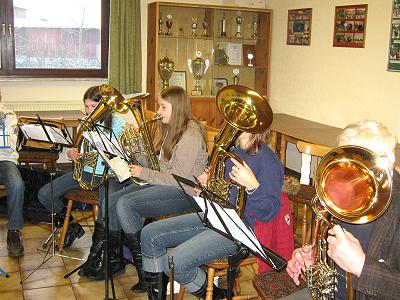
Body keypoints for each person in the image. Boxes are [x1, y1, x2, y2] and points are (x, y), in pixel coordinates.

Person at [140, 129, 294, 299]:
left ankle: (215, 295)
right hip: (217, 217)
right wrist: (206, 188)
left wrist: (253, 187)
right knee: (149, 234)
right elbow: (223, 195)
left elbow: (269, 212)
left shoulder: (268, 161)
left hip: (241, 232)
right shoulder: (231, 153)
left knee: (175, 262)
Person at [84, 86, 209, 290]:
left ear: (176, 109)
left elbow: (178, 179)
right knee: (112, 199)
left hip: (184, 192)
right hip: (165, 183)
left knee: (125, 203)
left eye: (163, 107)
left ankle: (148, 271)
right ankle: (110, 258)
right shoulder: (169, 128)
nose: (158, 112)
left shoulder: (191, 136)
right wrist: (134, 151)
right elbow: (157, 164)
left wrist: (144, 173)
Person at [286, 120, 400, 300]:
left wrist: (362, 266)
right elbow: (332, 245)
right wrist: (314, 260)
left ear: (386, 163)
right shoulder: (345, 190)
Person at [37, 86, 126, 272]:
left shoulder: (118, 122)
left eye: (93, 106)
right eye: (86, 106)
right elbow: (76, 147)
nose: (88, 111)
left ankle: (104, 255)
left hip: (107, 176)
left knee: (106, 208)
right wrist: (71, 153)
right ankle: (70, 226)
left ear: (104, 105)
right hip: (85, 173)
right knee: (45, 194)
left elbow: (117, 154)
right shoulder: (86, 121)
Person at [0, 91, 25, 257]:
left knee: (17, 184)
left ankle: (14, 231)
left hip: (4, 159)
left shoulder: (8, 115)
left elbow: (9, 144)